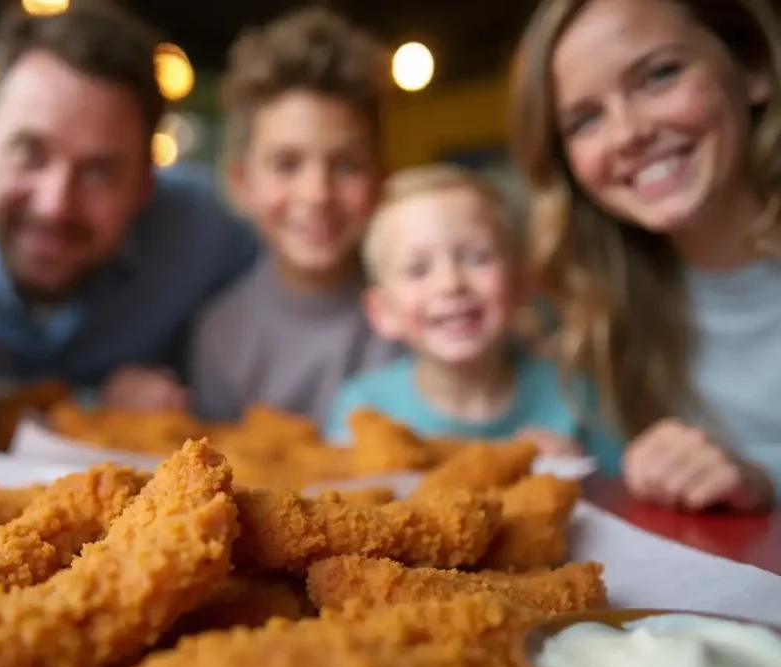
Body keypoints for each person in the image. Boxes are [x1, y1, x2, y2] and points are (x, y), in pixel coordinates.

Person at [512, 0, 781, 509]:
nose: (629, 133)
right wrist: (571, 461)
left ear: (752, 68)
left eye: (660, 75)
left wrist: (763, 480)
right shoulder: (603, 315)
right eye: (586, 120)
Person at [0, 0, 258, 410]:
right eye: (31, 152)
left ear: (146, 181)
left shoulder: (203, 231)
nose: (55, 205)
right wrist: (94, 399)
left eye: (99, 173)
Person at [326, 164, 623, 469]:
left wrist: (580, 470)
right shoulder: (363, 410)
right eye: (418, 269)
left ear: (522, 284)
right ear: (383, 312)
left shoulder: (574, 394)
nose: (451, 283)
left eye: (478, 257)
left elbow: (625, 502)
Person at [188, 8, 403, 425]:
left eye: (346, 165)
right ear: (241, 183)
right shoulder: (220, 334)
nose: (317, 194)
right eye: (286, 164)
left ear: (381, 181)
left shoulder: (419, 313)